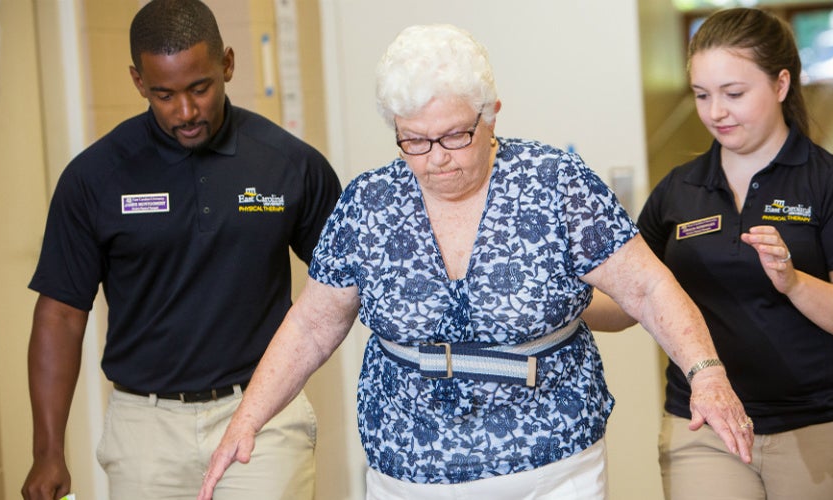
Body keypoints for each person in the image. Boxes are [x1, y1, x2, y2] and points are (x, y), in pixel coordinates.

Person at [197, 23, 753, 500]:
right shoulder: (369, 202)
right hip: (409, 467)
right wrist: (247, 418)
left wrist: (706, 374)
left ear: (492, 114)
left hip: (552, 463)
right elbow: (313, 324)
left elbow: (648, 289)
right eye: (413, 140)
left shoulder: (554, 182)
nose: (437, 159)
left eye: (455, 136)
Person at [20, 1, 342, 499]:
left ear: (227, 64)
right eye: (164, 95)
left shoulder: (289, 166)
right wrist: (47, 451)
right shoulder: (95, 178)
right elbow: (61, 314)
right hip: (145, 426)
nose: (186, 112)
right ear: (138, 82)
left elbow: (348, 284)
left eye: (200, 88)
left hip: (263, 417)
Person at [585, 8, 833, 500]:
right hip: (703, 423)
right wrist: (555, 303)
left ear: (781, 84)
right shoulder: (678, 191)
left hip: (816, 424)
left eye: (734, 94)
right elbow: (629, 301)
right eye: (703, 95)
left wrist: (794, 281)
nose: (715, 113)